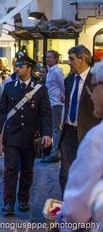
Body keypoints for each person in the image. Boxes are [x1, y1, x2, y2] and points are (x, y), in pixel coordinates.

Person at [0, 51, 52, 215]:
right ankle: (9, 203)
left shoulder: (40, 90)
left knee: (27, 171)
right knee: (10, 169)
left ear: (29, 67)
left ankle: (24, 199)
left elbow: (46, 113)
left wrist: (47, 133)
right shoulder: (9, 87)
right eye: (16, 65)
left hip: (30, 136)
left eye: (20, 66)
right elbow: (1, 111)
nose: (17, 68)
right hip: (12, 136)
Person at [58, 60, 103, 231]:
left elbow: (76, 211)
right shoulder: (69, 79)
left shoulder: (97, 138)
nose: (91, 95)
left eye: (94, 89)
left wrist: (63, 220)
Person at [59, 45, 100, 194]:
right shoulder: (69, 80)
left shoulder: (96, 80)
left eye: (72, 59)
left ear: (83, 59)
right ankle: (67, 206)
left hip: (88, 134)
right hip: (69, 132)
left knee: (87, 174)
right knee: (65, 173)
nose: (69, 62)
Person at [41, 50, 65, 164]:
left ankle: (56, 153)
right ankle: (52, 152)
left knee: (56, 129)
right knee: (52, 128)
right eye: (46, 57)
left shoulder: (57, 71)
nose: (48, 59)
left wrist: (63, 96)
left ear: (55, 59)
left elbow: (63, 86)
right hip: (50, 103)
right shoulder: (50, 71)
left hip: (56, 104)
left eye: (50, 57)